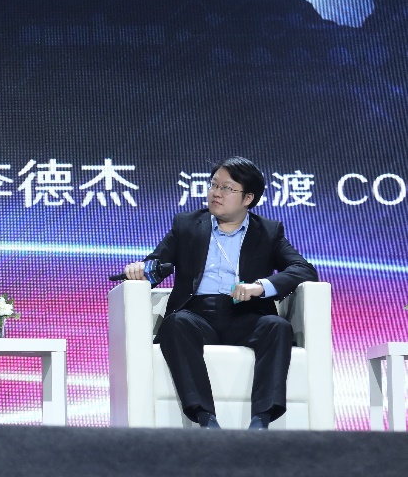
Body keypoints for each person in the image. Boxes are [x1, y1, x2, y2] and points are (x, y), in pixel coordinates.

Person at [123, 156, 317, 430]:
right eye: (214, 185)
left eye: (227, 188)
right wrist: (141, 271)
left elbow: (304, 269)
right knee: (176, 324)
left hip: (246, 314)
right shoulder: (187, 225)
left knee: (278, 327)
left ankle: (261, 421)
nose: (216, 193)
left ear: (248, 198)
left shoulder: (268, 232)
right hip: (196, 315)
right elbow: (156, 265)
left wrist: (261, 286)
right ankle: (206, 419)